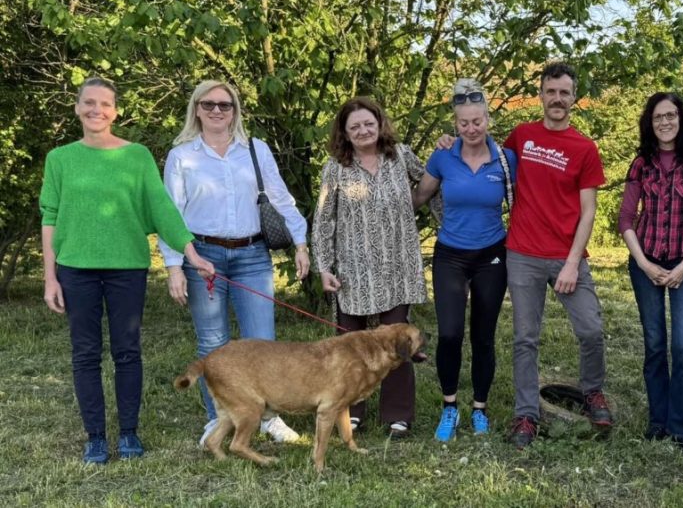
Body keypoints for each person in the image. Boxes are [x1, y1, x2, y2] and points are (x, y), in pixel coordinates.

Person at [437, 62, 614, 449]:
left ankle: (593, 392)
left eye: (564, 92)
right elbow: (477, 148)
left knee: (591, 329)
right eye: (551, 91)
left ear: (573, 97)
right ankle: (525, 415)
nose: (557, 98)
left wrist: (572, 261)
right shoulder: (521, 137)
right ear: (541, 95)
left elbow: (589, 212)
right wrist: (447, 143)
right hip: (521, 254)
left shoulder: (584, 148)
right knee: (525, 339)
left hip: (568, 256)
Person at [40, 77, 215, 464]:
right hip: (75, 270)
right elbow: (50, 217)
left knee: (127, 351)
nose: (96, 110)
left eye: (104, 104)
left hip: (127, 270)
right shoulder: (60, 158)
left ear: (115, 111)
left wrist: (192, 253)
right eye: (88, 102)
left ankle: (130, 434)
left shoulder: (136, 156)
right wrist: (50, 276)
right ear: (77, 108)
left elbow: (161, 208)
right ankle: (96, 437)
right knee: (85, 354)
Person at [159, 80, 310, 447]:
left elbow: (282, 199)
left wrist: (301, 243)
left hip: (252, 256)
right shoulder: (182, 156)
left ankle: (270, 418)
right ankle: (218, 419)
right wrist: (174, 266)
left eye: (224, 105)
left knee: (264, 345)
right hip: (203, 258)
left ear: (235, 110)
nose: (216, 111)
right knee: (213, 344)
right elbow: (170, 215)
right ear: (196, 109)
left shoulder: (256, 150)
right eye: (208, 104)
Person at [312, 96, 427, 437]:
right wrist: (324, 266)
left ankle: (398, 414)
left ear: (379, 124)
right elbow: (323, 221)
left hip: (397, 265)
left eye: (368, 124)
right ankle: (351, 410)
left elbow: (433, 182)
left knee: (399, 343)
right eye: (355, 127)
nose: (363, 131)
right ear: (345, 134)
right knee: (350, 347)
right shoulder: (335, 168)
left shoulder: (401, 156)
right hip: (352, 270)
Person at [412, 78, 517, 442]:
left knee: (483, 336)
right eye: (463, 123)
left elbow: (528, 203)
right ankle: (450, 406)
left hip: (492, 254)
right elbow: (419, 197)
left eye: (477, 121)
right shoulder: (443, 156)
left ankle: (480, 409)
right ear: (454, 124)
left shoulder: (506, 160)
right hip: (450, 256)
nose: (471, 129)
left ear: (488, 119)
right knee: (450, 334)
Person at [618, 93, 683, 460]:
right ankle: (658, 423)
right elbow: (626, 219)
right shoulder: (641, 164)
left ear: (681, 119)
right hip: (646, 263)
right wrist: (644, 263)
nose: (665, 122)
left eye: (671, 115)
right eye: (658, 117)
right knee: (655, 344)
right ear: (650, 122)